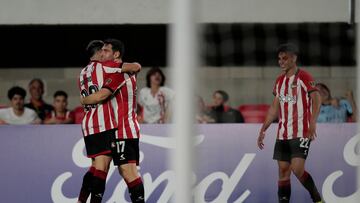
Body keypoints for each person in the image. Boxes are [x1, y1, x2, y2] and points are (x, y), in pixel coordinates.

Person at [79, 38, 144, 203]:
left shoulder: (119, 73)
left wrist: (84, 100)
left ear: (116, 55)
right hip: (116, 129)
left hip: (123, 129)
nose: (102, 54)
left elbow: (102, 95)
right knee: (99, 168)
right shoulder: (112, 71)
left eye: (106, 51)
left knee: (128, 171)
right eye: (101, 51)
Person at [257, 43, 323, 203]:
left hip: (301, 132)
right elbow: (274, 107)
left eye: (284, 58)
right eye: (279, 59)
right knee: (283, 171)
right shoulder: (279, 81)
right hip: (283, 134)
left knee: (297, 169)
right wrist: (263, 129)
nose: (281, 61)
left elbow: (317, 99)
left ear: (294, 58)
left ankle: (317, 198)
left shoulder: (304, 77)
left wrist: (312, 122)